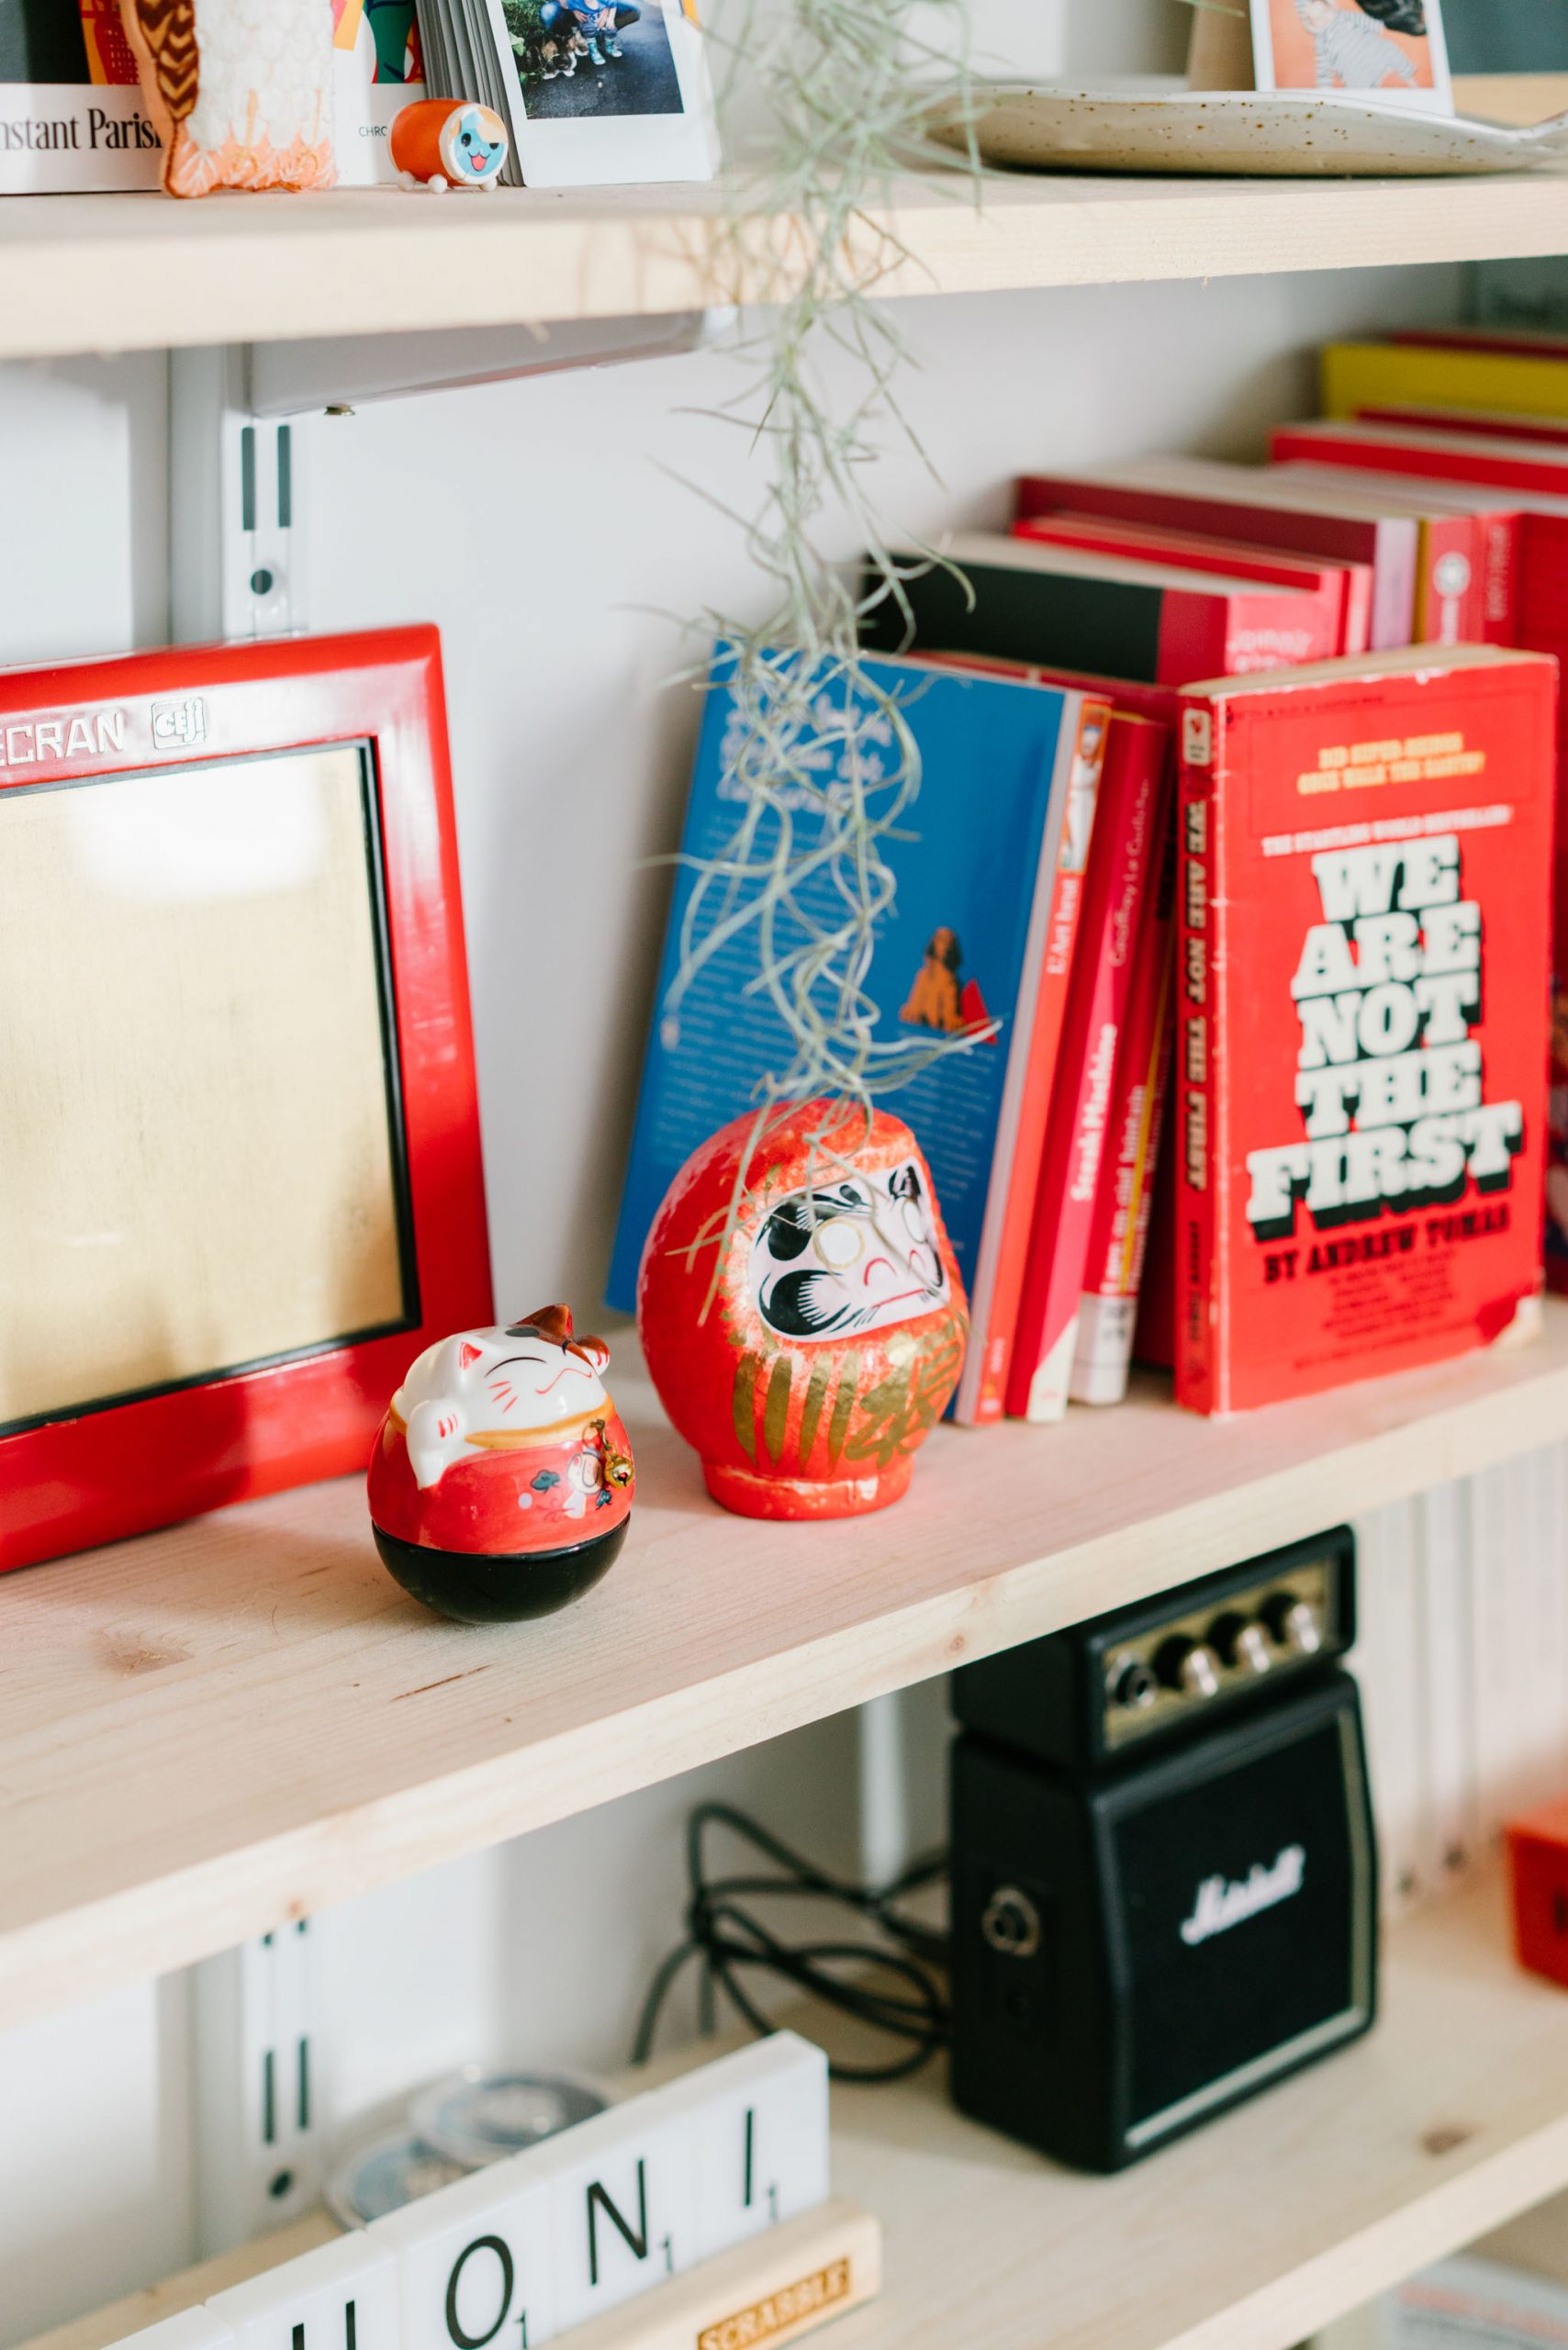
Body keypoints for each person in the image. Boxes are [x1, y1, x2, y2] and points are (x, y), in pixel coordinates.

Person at [1294, 0, 1419, 89]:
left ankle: (1410, 80)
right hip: (1354, 69)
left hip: (1372, 49)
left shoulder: (1344, 16)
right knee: (1355, 85)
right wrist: (1324, 88)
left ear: (1331, 7)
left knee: (1390, 50)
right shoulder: (1321, 41)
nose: (1324, 18)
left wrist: (1378, 26)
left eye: (1325, 12)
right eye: (1317, 18)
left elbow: (1362, 19)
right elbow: (1323, 68)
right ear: (1311, 24)